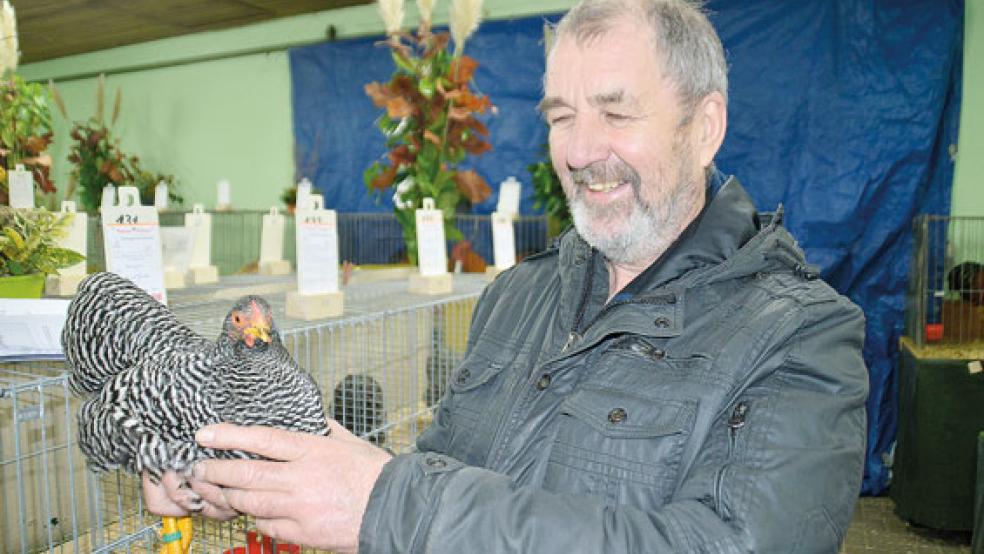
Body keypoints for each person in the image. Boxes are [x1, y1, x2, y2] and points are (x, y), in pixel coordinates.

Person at [145, 0, 869, 551]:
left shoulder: (803, 338)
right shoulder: (520, 295)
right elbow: (447, 475)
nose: (581, 151)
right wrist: (272, 476)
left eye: (615, 113)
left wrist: (388, 502)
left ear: (704, 126)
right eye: (561, 117)